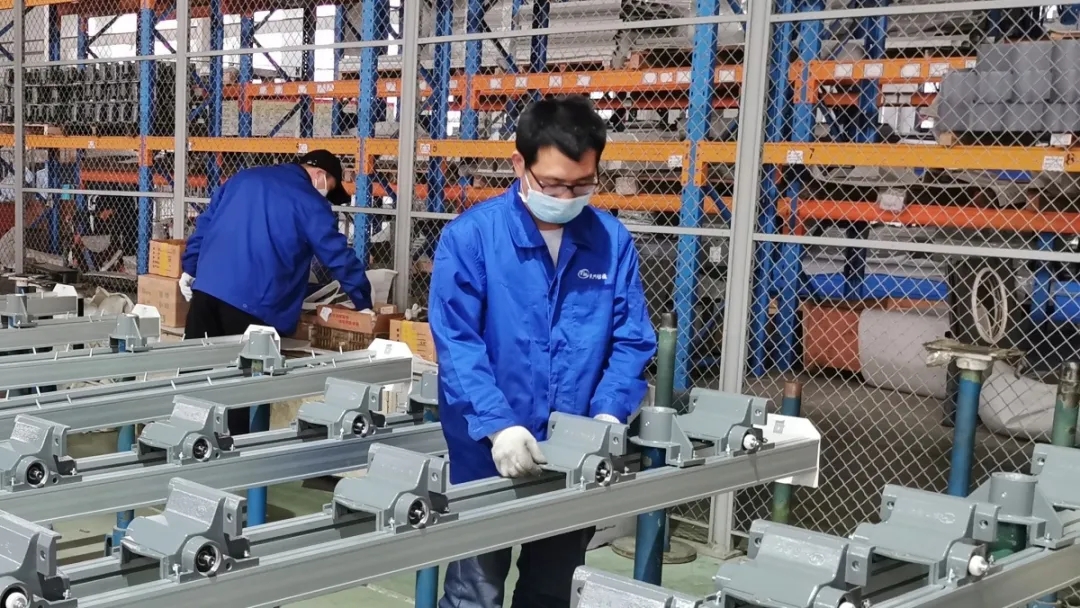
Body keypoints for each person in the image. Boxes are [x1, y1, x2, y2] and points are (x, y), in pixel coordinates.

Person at [429, 95, 657, 608]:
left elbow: (631, 338)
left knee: (551, 590)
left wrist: (607, 414)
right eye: (553, 185)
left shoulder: (611, 242)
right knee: (474, 591)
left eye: (581, 185)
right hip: (487, 447)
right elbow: (458, 344)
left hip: (574, 451)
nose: (567, 197)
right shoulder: (472, 238)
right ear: (520, 165)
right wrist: (498, 426)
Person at [179, 150, 373, 435]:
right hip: (253, 303)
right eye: (330, 189)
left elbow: (205, 224)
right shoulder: (309, 201)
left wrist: (190, 266)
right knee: (239, 389)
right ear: (320, 175)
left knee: (194, 375)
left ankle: (184, 439)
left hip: (207, 291)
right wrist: (363, 302)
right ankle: (235, 453)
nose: (326, 196)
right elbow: (336, 255)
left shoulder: (242, 179)